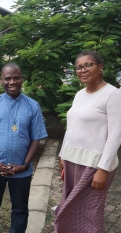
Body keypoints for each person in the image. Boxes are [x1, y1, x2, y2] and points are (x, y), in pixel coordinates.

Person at [54, 50, 121, 232]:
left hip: (95, 165)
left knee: (89, 214)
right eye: (78, 67)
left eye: (88, 65)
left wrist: (103, 169)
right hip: (72, 161)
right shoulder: (79, 94)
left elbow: (116, 134)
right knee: (70, 207)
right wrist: (62, 154)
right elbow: (72, 127)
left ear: (100, 67)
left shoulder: (112, 94)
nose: (82, 70)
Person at [0, 63, 47, 233]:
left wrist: (24, 165)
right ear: (1, 80)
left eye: (16, 77)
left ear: (22, 79)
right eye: (7, 78)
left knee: (20, 210)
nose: (12, 81)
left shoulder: (32, 106)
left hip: (21, 170)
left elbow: (36, 138)